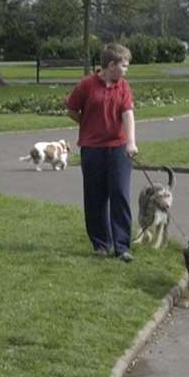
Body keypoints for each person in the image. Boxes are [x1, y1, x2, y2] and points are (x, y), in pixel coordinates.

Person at [66, 43, 139, 260]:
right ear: (111, 65)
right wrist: (88, 124)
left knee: (120, 194)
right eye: (124, 65)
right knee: (95, 198)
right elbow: (71, 110)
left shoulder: (123, 86)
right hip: (92, 149)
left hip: (118, 148)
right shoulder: (86, 85)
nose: (126, 70)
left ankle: (122, 246)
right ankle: (100, 244)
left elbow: (128, 114)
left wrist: (131, 142)